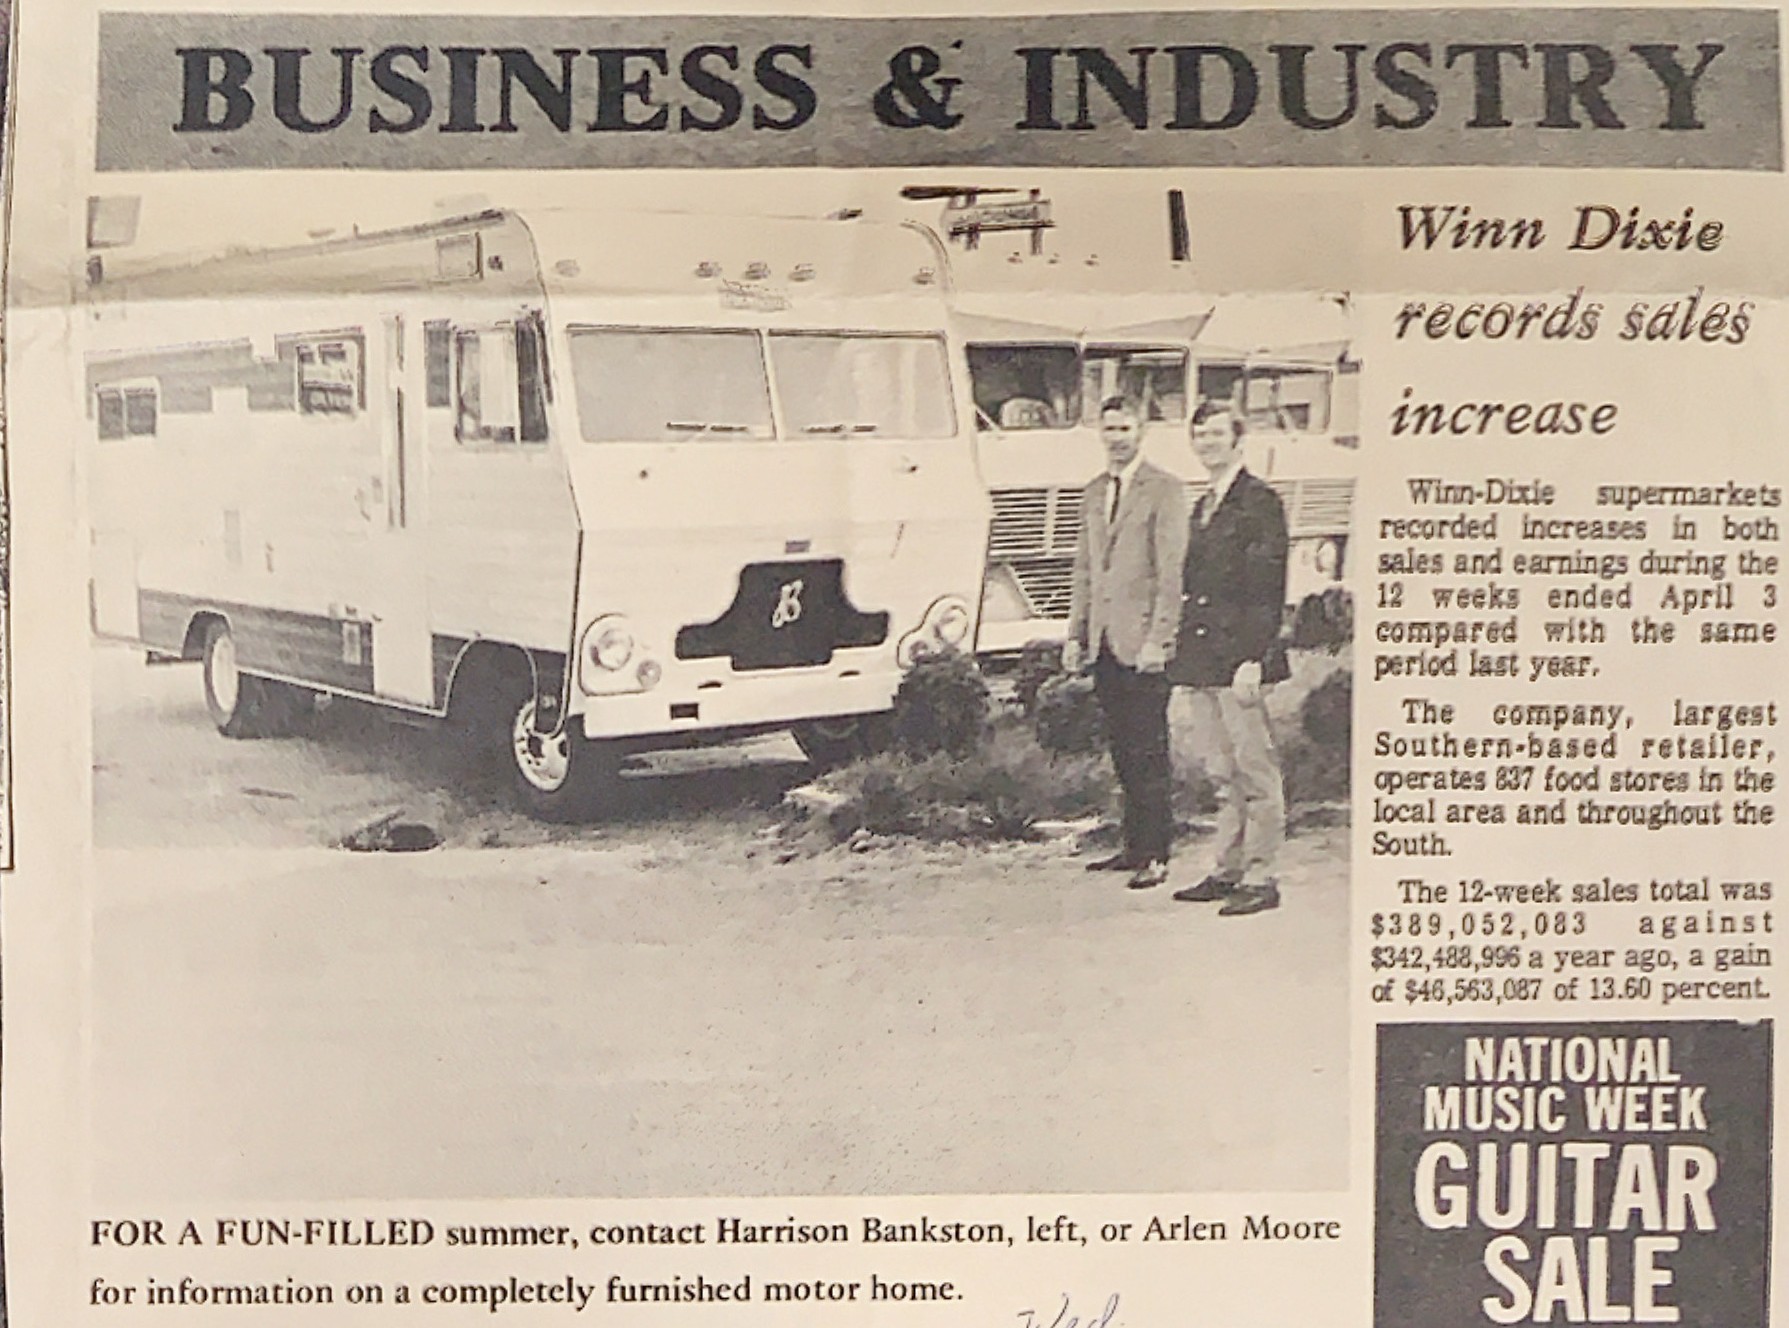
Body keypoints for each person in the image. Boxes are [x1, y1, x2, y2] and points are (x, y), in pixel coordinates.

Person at [1168, 400, 1290, 916]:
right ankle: (1228, 868)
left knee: (1254, 770)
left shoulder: (1259, 501)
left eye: (1217, 434)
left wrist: (1253, 658)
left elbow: (1266, 588)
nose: (1207, 443)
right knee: (1222, 771)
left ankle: (1262, 878)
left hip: (1238, 659)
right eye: (1200, 435)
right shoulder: (1203, 504)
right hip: (1202, 659)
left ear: (1239, 440)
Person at [1064, 397, 1189, 890]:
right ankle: (1132, 846)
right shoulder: (1094, 492)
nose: (1116, 436)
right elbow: (1084, 569)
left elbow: (1170, 571)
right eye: (1108, 427)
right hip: (1104, 642)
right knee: (1121, 748)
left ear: (1142, 430)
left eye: (1125, 427)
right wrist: (1075, 635)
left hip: (1143, 644)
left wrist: (1161, 639)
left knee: (1149, 749)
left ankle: (1156, 853)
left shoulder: (1164, 490)